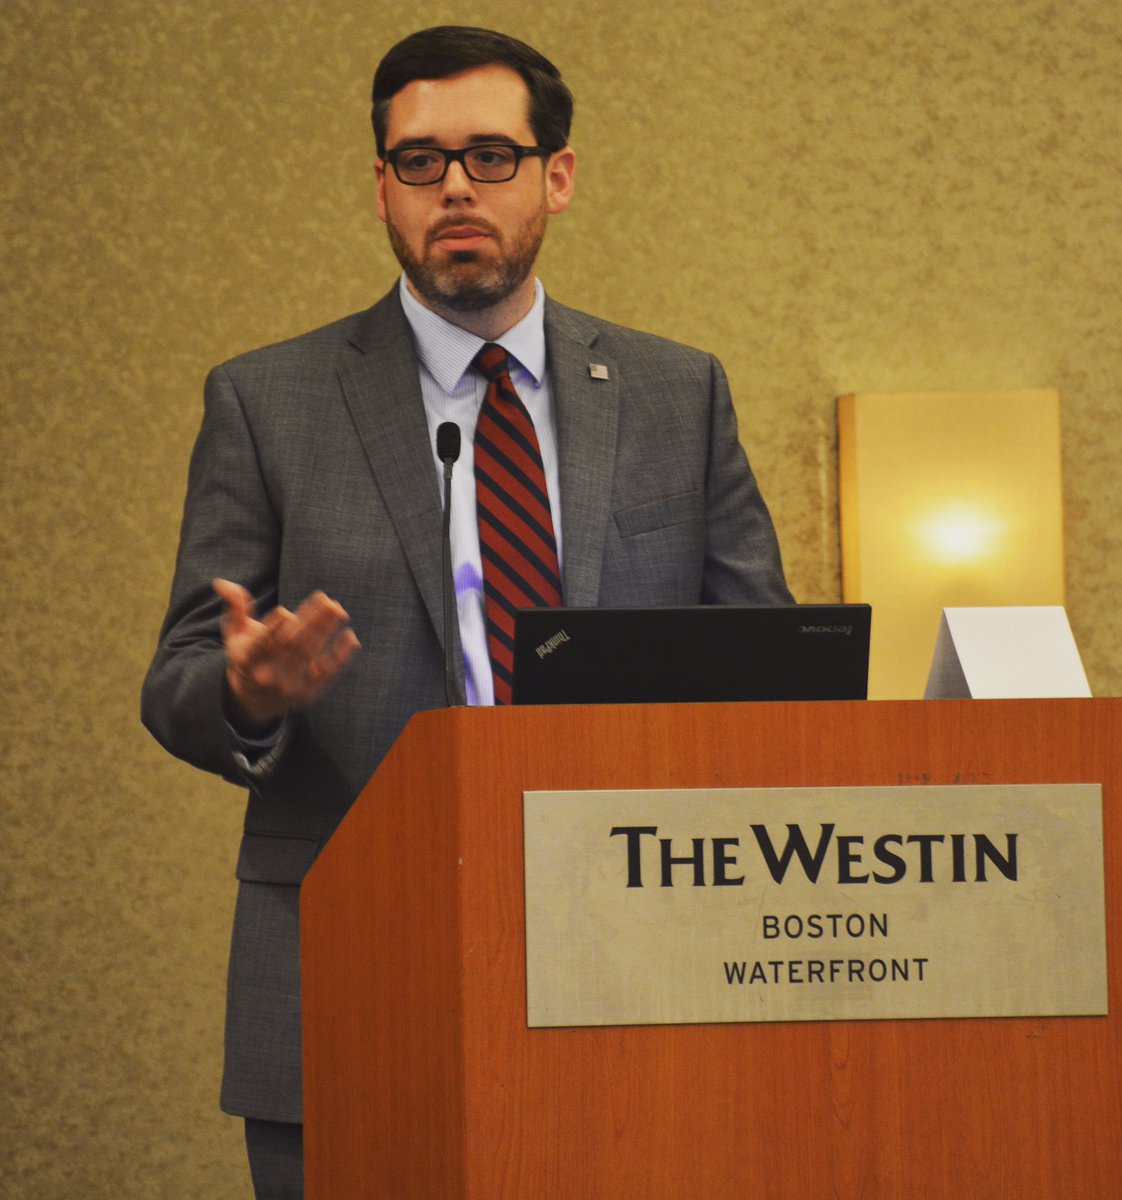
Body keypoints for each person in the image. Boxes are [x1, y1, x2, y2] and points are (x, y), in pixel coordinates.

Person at [142, 24, 792, 1198]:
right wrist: (246, 690)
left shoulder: (675, 394)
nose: (454, 186)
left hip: (640, 957)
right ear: (381, 187)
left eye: (491, 156)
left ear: (558, 175)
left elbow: (766, 666)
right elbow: (181, 674)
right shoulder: (269, 400)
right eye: (420, 160)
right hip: (355, 965)